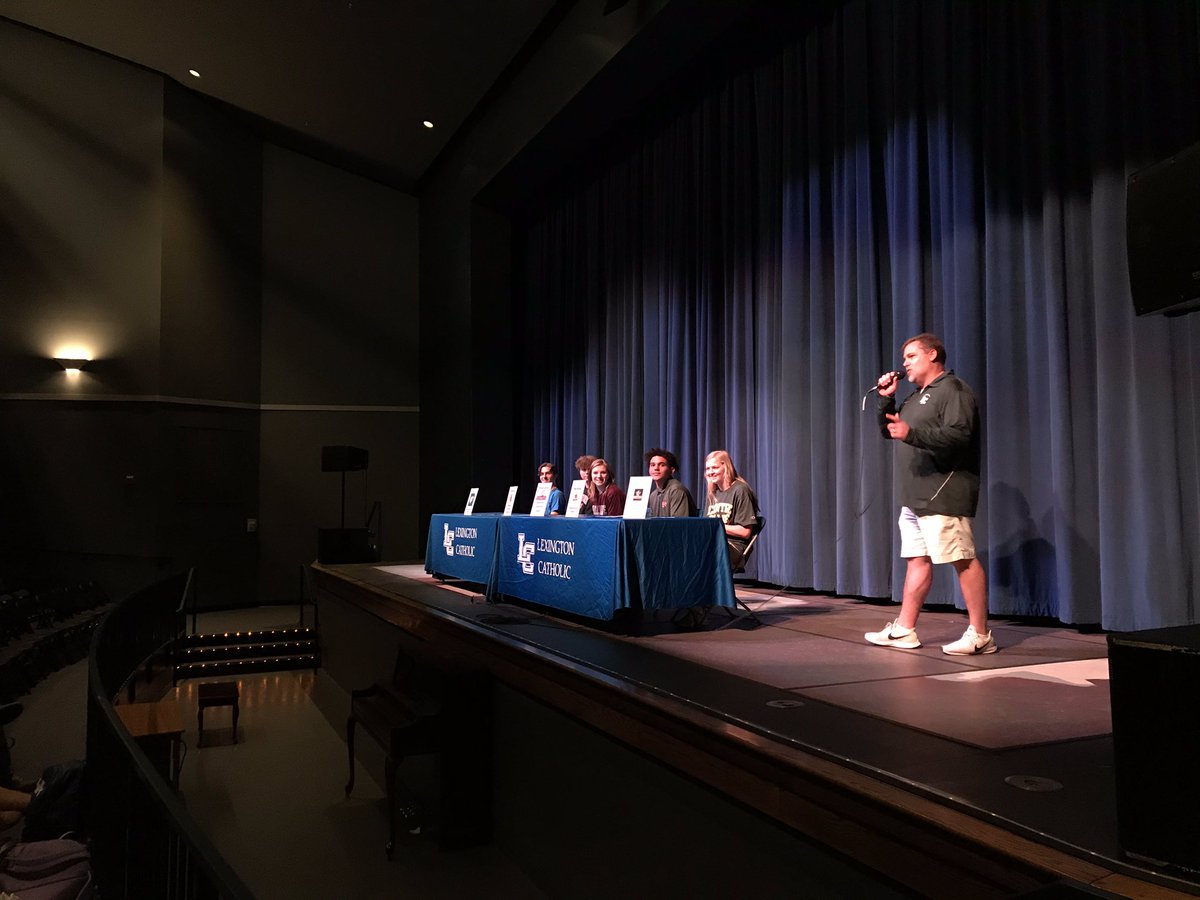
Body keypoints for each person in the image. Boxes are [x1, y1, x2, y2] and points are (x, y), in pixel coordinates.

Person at [865, 332, 994, 655]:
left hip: (943, 491)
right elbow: (891, 429)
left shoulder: (953, 389)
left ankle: (980, 634)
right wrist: (886, 400)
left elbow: (960, 435)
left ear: (932, 355)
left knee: (961, 558)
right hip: (915, 496)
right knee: (917, 560)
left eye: (910, 356)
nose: (904, 363)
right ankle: (905, 629)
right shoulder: (918, 395)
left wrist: (913, 433)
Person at [703, 450, 759, 558]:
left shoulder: (740, 490)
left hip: (733, 546)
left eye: (715, 467)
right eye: (708, 469)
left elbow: (745, 532)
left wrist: (719, 526)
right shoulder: (713, 494)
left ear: (726, 467)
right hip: (713, 542)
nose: (710, 472)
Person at [645, 448, 696, 517]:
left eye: (662, 465)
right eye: (652, 465)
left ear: (671, 470)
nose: (656, 468)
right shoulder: (653, 495)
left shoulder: (676, 491)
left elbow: (679, 524)